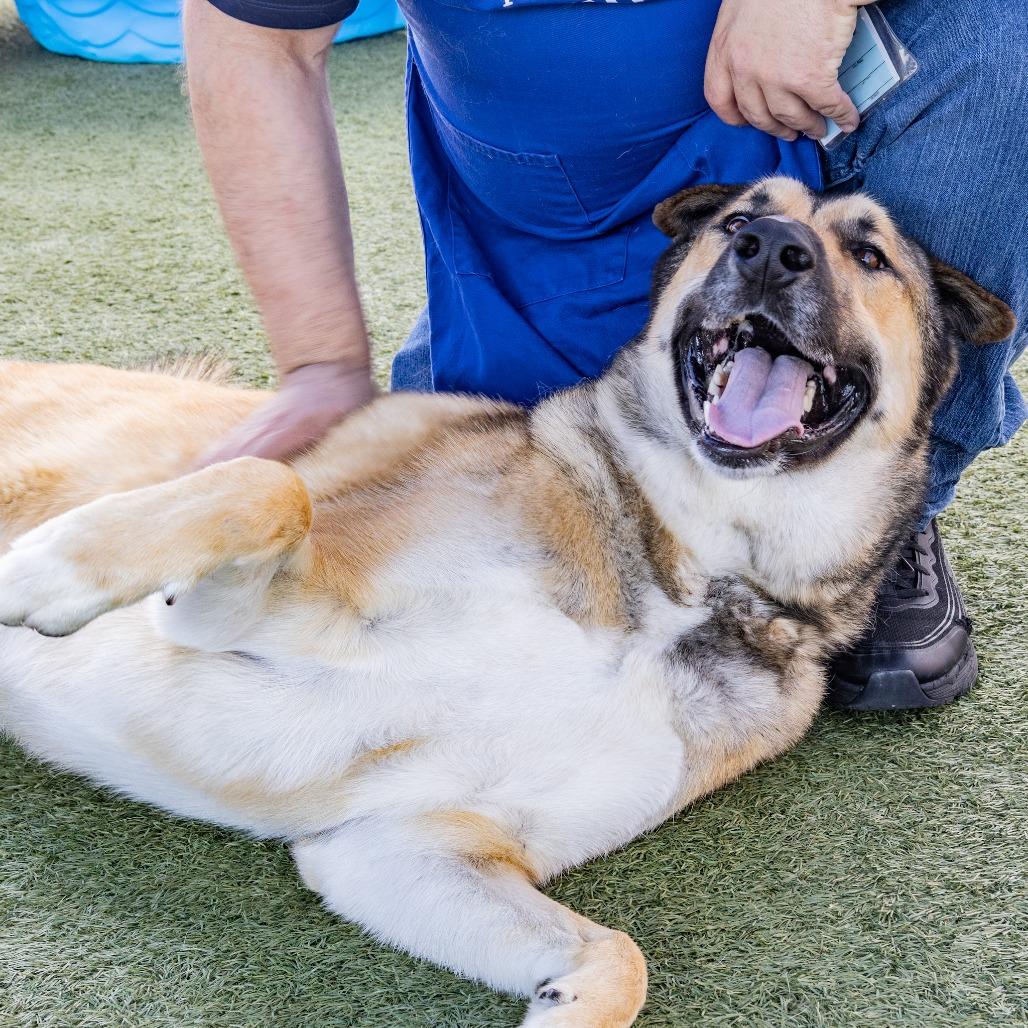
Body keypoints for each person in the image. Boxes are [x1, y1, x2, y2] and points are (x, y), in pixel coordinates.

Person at [184, 0, 1026, 711]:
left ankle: (878, 520)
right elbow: (259, 37)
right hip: (567, 212)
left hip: (835, 94)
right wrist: (321, 367)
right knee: (484, 539)